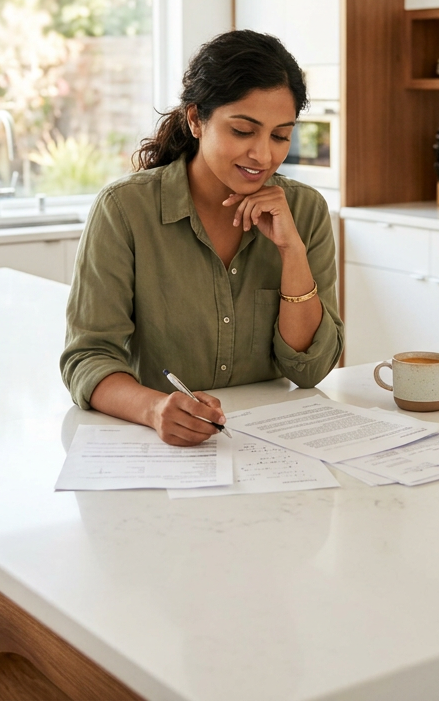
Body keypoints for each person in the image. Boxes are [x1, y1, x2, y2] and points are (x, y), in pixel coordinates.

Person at [60, 30, 343, 445]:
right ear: (196, 119)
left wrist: (292, 252)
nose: (263, 155)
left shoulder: (305, 211)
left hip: (272, 450)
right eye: (243, 131)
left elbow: (309, 370)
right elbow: (88, 357)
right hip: (157, 449)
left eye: (280, 136)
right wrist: (155, 409)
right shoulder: (124, 210)